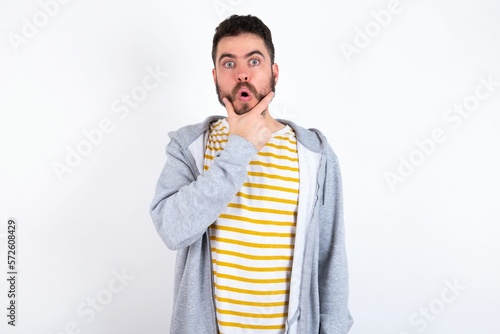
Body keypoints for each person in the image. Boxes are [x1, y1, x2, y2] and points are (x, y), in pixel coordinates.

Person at [150, 14, 353, 334]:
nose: (242, 73)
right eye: (229, 64)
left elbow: (330, 258)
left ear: (274, 72)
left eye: (254, 61)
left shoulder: (315, 153)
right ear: (216, 76)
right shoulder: (189, 146)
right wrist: (239, 149)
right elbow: (173, 230)